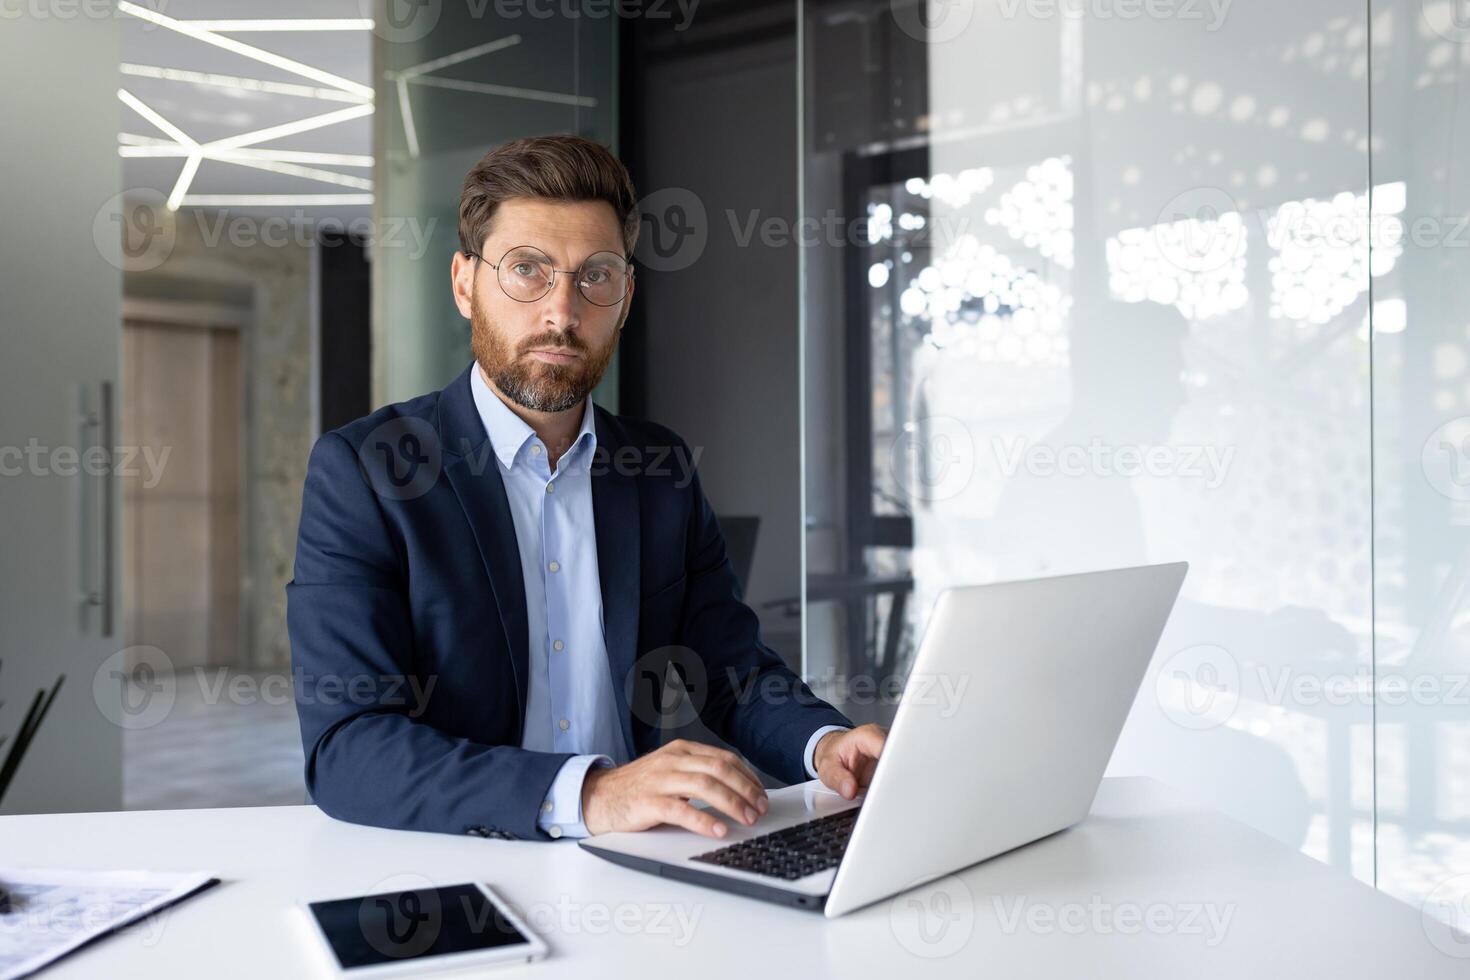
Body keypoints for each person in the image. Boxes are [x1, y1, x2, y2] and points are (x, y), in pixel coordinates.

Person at [287, 135, 885, 843]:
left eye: (594, 276)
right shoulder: (364, 471)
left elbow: (731, 671)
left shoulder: (659, 468)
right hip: (456, 865)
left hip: (635, 864)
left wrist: (825, 745)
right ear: (463, 282)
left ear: (625, 296)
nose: (561, 312)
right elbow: (349, 748)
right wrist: (589, 792)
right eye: (526, 270)